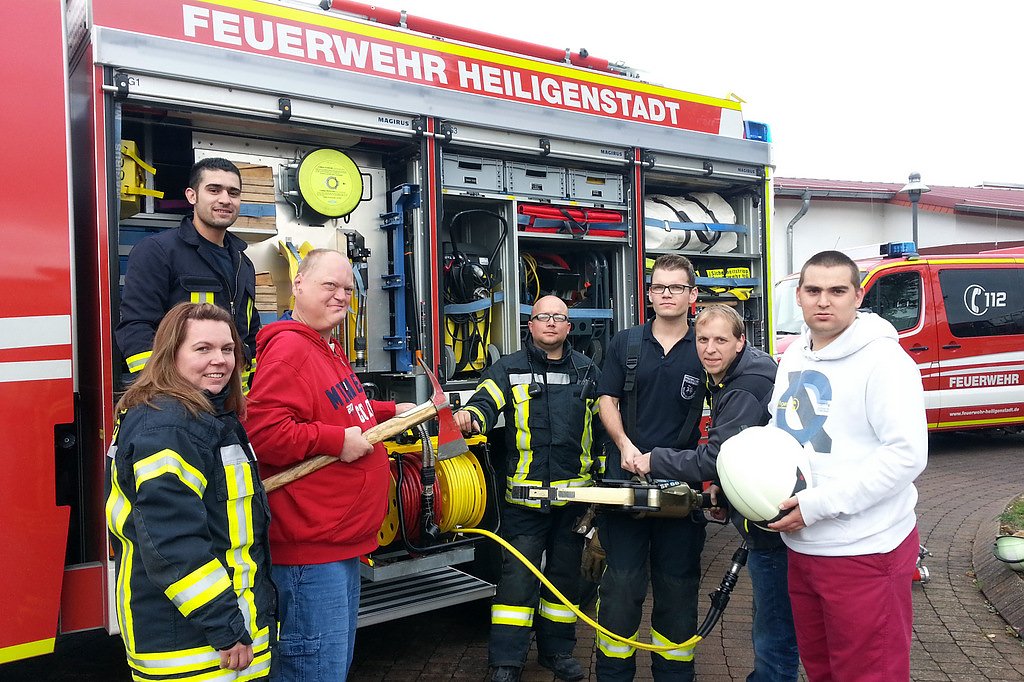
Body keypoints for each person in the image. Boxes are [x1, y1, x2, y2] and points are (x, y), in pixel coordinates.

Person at [243, 249, 415, 681]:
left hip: (337, 544)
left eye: (348, 289)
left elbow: (338, 407)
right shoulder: (290, 350)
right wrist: (336, 442)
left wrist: (390, 411)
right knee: (315, 670)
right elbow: (265, 435)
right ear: (298, 284)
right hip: (311, 552)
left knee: (328, 667)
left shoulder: (325, 346)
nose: (341, 296)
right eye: (330, 286)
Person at [767, 250, 928, 681]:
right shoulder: (794, 357)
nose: (824, 301)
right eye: (813, 290)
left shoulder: (886, 362)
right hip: (803, 548)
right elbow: (780, 433)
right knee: (821, 671)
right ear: (798, 296)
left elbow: (906, 456)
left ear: (858, 297)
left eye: (837, 291)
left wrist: (816, 505)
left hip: (865, 551)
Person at [627, 304, 799, 682]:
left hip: (775, 525)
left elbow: (715, 457)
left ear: (740, 342)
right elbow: (743, 451)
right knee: (772, 620)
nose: (710, 349)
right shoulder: (736, 373)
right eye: (702, 339)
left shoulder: (744, 388)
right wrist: (727, 486)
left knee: (773, 626)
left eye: (721, 340)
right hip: (771, 510)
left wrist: (655, 459)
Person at [105, 302, 276, 681]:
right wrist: (225, 626)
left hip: (215, 638)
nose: (220, 360)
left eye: (227, 349)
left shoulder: (202, 416)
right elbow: (174, 545)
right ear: (171, 355)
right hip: (193, 647)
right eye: (203, 349)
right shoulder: (169, 429)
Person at [453, 295, 603, 682]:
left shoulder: (588, 371)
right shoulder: (508, 369)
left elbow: (604, 429)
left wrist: (603, 489)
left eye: (558, 317)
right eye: (543, 317)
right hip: (524, 502)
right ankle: (506, 661)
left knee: (564, 581)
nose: (551, 323)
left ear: (568, 326)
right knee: (517, 583)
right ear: (531, 325)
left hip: (573, 503)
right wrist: (472, 416)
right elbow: (485, 402)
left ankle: (557, 652)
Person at [594, 253, 707, 682]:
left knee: (678, 591)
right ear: (649, 293)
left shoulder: (704, 347)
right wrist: (624, 445)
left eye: (676, 287)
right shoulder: (626, 343)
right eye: (659, 286)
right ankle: (613, 675)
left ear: (692, 295)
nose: (666, 294)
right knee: (620, 589)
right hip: (626, 487)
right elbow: (607, 399)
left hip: (681, 490)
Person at [117, 157, 260, 388]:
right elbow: (136, 327)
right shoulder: (158, 251)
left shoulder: (244, 263)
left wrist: (247, 391)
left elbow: (249, 335)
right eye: (214, 190)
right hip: (180, 396)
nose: (225, 199)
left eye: (233, 193)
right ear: (192, 196)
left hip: (231, 400)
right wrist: (163, 390)